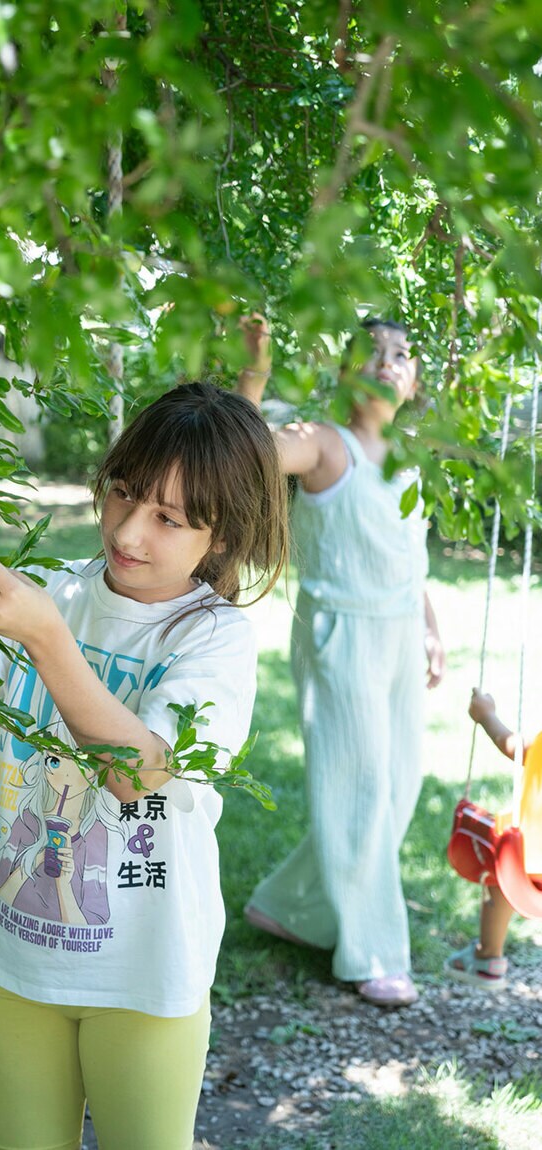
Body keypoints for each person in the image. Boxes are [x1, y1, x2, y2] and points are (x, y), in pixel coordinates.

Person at [0, 381, 288, 1150]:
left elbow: (140, 774)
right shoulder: (55, 587)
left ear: (219, 538)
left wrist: (47, 641)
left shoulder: (213, 639)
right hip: (13, 956)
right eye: (123, 493)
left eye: (168, 518)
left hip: (143, 975)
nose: (128, 529)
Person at [237, 315, 445, 1008]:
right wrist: (256, 371)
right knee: (360, 790)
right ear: (342, 370)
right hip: (340, 636)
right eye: (370, 350)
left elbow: (407, 556)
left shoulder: (406, 459)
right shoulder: (324, 444)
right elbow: (247, 451)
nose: (386, 361)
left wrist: (428, 627)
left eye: (400, 354)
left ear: (413, 381)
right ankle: (371, 951)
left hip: (394, 632)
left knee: (397, 786)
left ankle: (288, 905)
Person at [445, 687, 541, 990]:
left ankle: (488, 958)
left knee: (500, 877)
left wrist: (486, 715)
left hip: (531, 859)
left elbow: (510, 744)